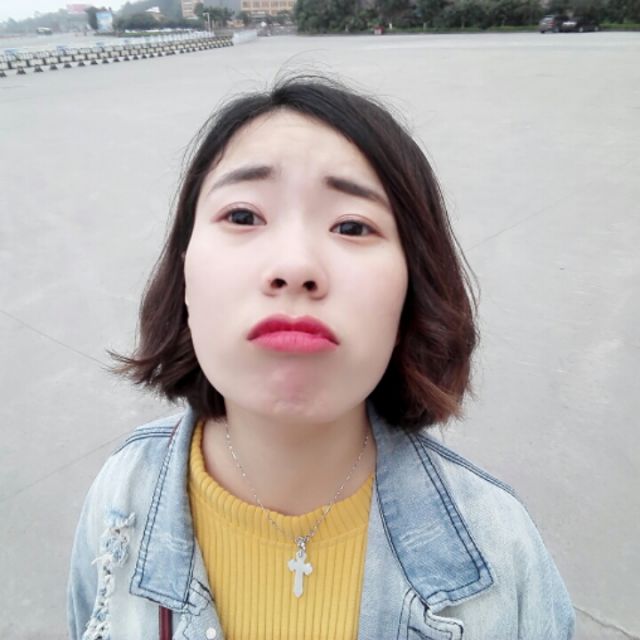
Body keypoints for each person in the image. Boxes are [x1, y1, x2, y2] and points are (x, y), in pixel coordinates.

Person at [67, 75, 575, 640]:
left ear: (413, 287)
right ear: (184, 270)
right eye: (243, 216)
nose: (295, 265)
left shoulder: (500, 550)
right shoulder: (121, 498)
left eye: (352, 226)